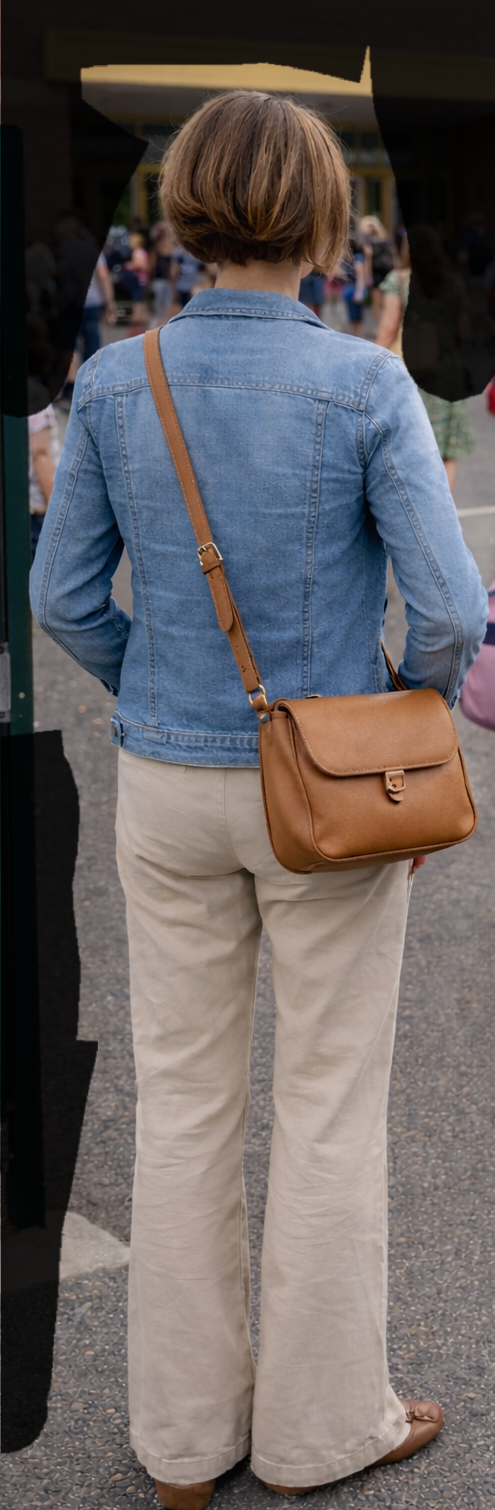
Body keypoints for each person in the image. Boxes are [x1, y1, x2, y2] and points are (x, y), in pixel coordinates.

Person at [30, 91, 487, 1510]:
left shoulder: (118, 381)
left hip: (167, 786)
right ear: (324, 221)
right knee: (329, 1105)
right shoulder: (364, 385)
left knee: (180, 1105)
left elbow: (61, 594)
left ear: (182, 217)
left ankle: (181, 1445)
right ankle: (316, 1428)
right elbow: (450, 613)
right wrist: (388, 716)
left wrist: (157, 688)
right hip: (331, 788)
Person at [375, 226, 475, 493]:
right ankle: (445, 509)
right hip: (448, 371)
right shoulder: (453, 282)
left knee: (411, 445)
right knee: (446, 449)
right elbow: (465, 331)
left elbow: (387, 328)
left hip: (412, 371)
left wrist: (371, 367)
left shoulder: (399, 281)